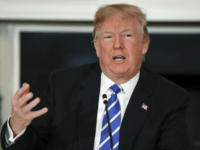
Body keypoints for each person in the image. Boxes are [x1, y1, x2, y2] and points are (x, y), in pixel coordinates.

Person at [1, 3, 190, 150]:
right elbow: (32, 146)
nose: (117, 45)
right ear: (97, 47)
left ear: (144, 44)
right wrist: (17, 126)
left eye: (127, 35)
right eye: (108, 37)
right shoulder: (62, 85)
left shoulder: (171, 99)